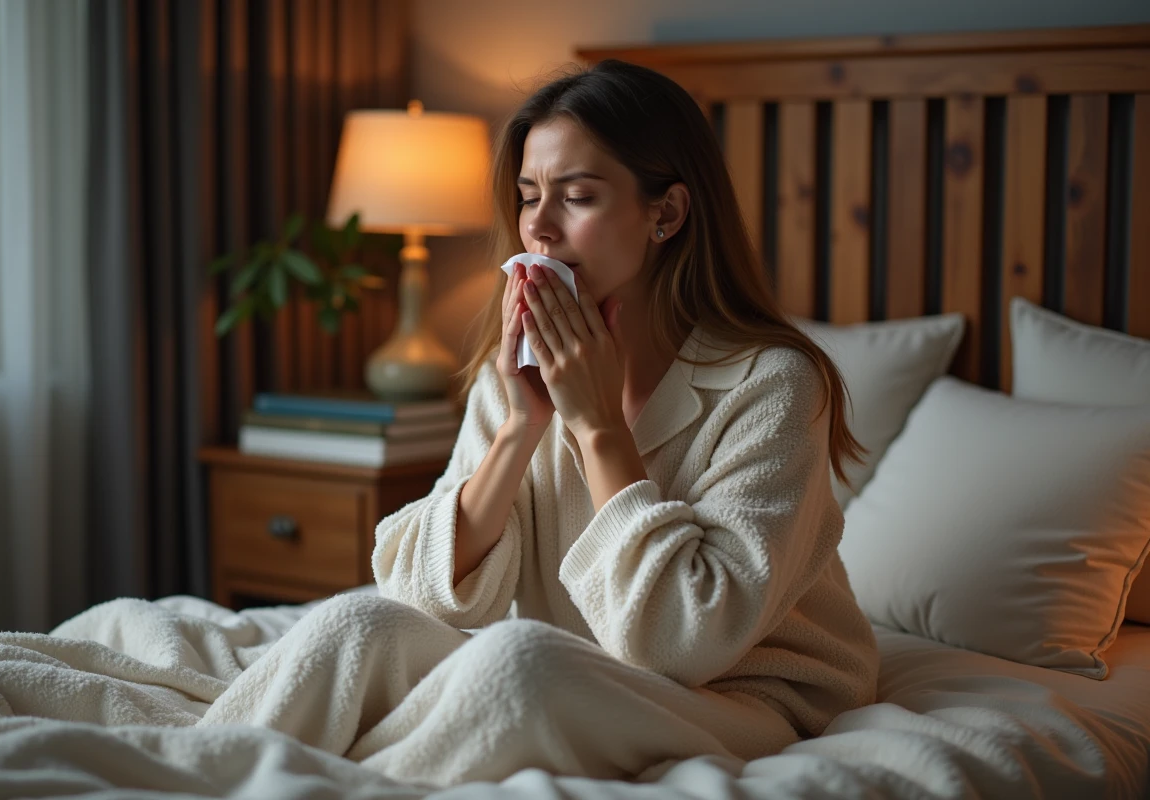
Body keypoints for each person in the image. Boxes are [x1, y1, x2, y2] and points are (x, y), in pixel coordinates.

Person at [228, 59, 880, 788]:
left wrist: (600, 428)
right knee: (356, 625)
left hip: (747, 695)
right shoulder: (516, 371)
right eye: (529, 195)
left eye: (577, 197)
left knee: (518, 666)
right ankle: (207, 768)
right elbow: (414, 597)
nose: (537, 225)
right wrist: (519, 427)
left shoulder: (772, 385)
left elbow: (686, 640)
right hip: (585, 665)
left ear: (665, 214)